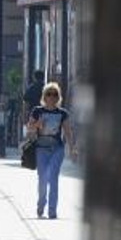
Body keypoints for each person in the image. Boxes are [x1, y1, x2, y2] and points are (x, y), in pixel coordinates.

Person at [26, 82, 75, 218]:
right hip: (41, 149)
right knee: (42, 179)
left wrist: (72, 149)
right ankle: (41, 204)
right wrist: (37, 124)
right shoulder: (37, 111)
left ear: (58, 97)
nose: (52, 97)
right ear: (44, 96)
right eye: (49, 94)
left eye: (55, 94)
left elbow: (68, 132)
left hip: (57, 149)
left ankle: (52, 211)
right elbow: (29, 129)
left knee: (53, 178)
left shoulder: (62, 113)